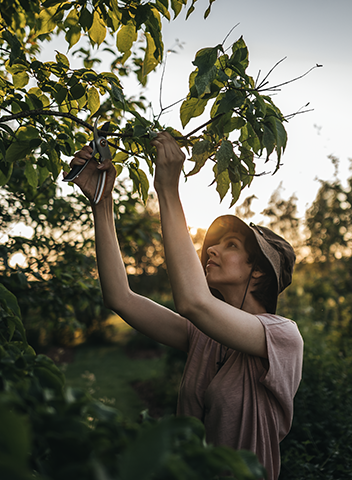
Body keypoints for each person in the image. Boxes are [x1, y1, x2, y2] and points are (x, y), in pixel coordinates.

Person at [67, 132, 303, 479]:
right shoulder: (204, 336)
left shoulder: (282, 338)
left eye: (231, 245)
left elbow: (194, 301)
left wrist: (167, 187)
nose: (211, 250)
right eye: (215, 243)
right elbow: (120, 297)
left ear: (257, 274)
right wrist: (102, 202)